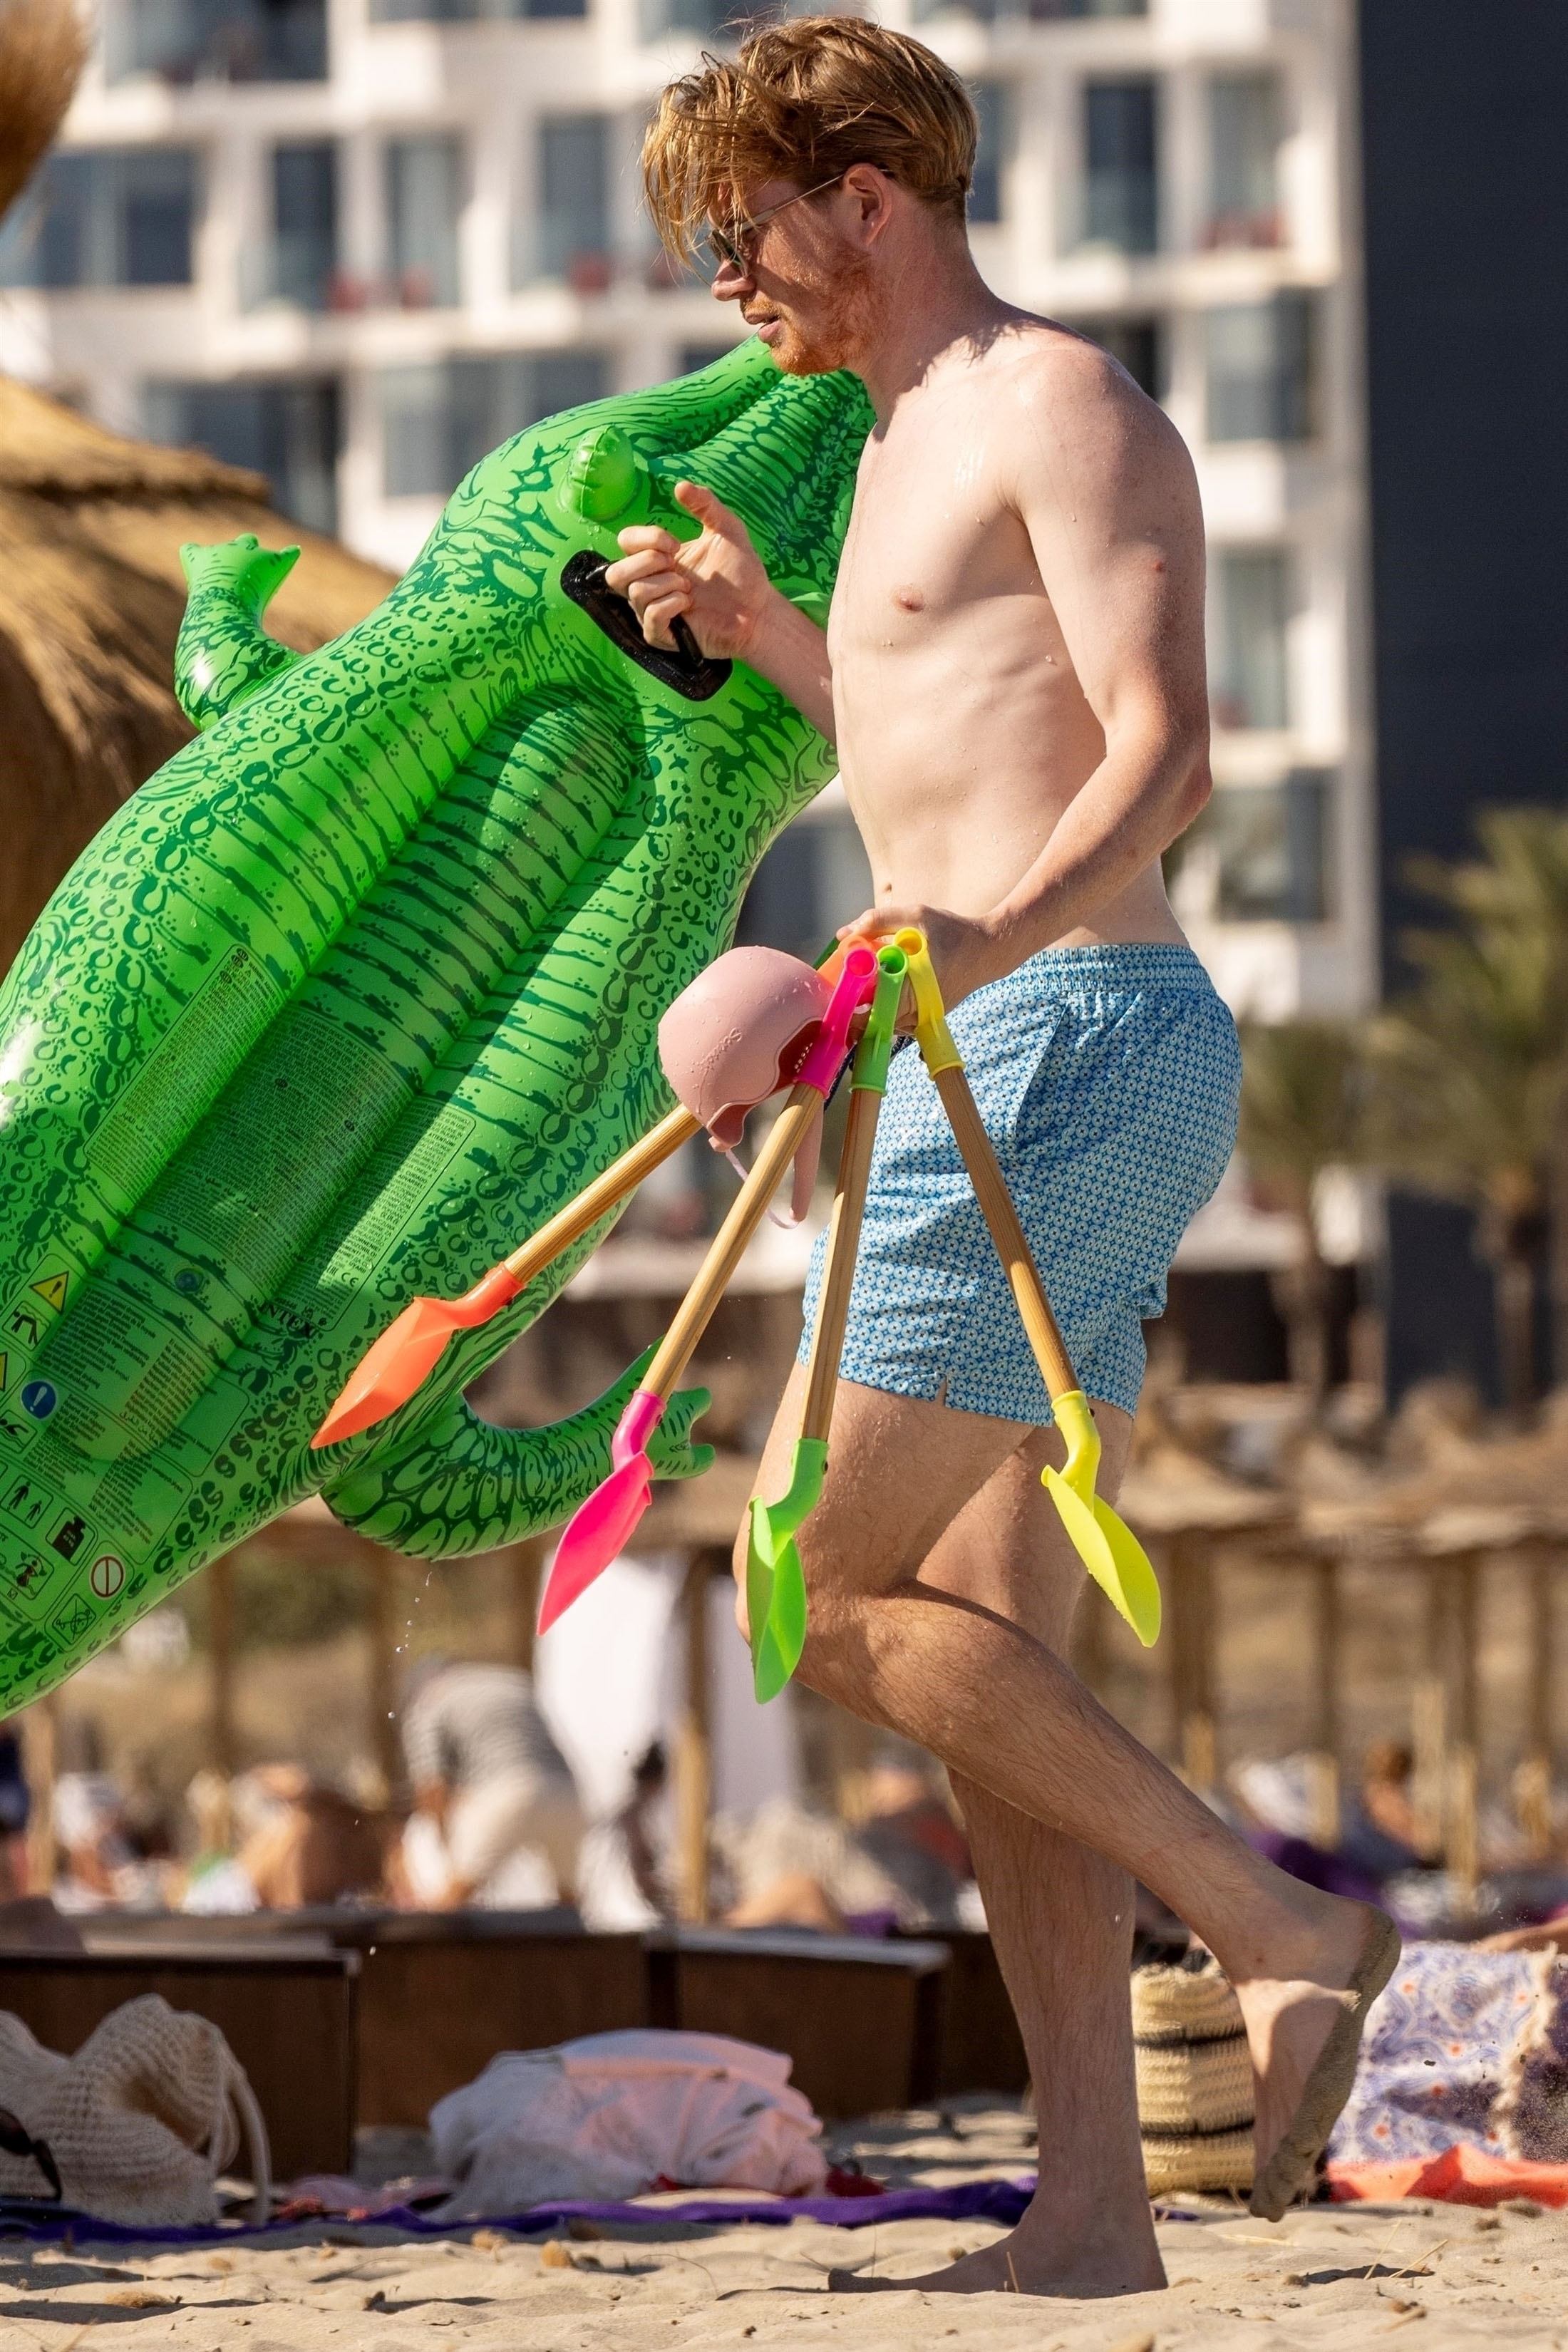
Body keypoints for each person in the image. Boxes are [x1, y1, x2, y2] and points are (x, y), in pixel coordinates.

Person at [606, 16, 1398, 2296]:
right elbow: (962, 742)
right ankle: (1089, 2204)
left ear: (865, 191)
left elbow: (1164, 751)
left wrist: (982, 934)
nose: (716, 277)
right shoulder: (885, 453)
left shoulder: (1053, 399)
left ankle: (1275, 1913)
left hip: (1052, 1038)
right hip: (984, 1046)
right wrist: (770, 638)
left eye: (731, 227)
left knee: (819, 1586)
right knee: (994, 1662)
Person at [400, 1658, 583, 1910]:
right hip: (568, 1795)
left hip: (509, 1794)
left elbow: (432, 1790)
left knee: (448, 1909)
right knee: (570, 1912)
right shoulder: (513, 1683)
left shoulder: (428, 1705)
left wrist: (445, 1848)